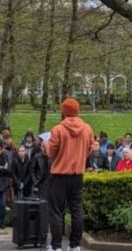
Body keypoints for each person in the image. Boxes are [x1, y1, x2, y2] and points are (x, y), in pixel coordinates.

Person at [46, 98, 94, 251]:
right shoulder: (87, 129)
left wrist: (46, 146)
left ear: (63, 111)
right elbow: (90, 150)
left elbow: (51, 152)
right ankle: (75, 245)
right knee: (77, 210)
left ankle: (56, 246)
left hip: (59, 175)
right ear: (77, 110)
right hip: (77, 175)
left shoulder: (58, 129)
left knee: (56, 211)